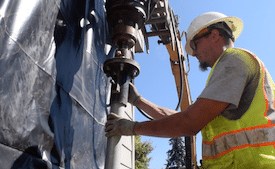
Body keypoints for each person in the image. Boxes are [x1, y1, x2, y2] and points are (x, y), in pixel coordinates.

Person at [105, 11, 275, 168]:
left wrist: (132, 128)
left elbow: (189, 123)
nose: (193, 53)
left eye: (195, 44)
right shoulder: (229, 69)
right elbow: (184, 119)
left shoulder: (234, 60)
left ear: (215, 35)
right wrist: (138, 101)